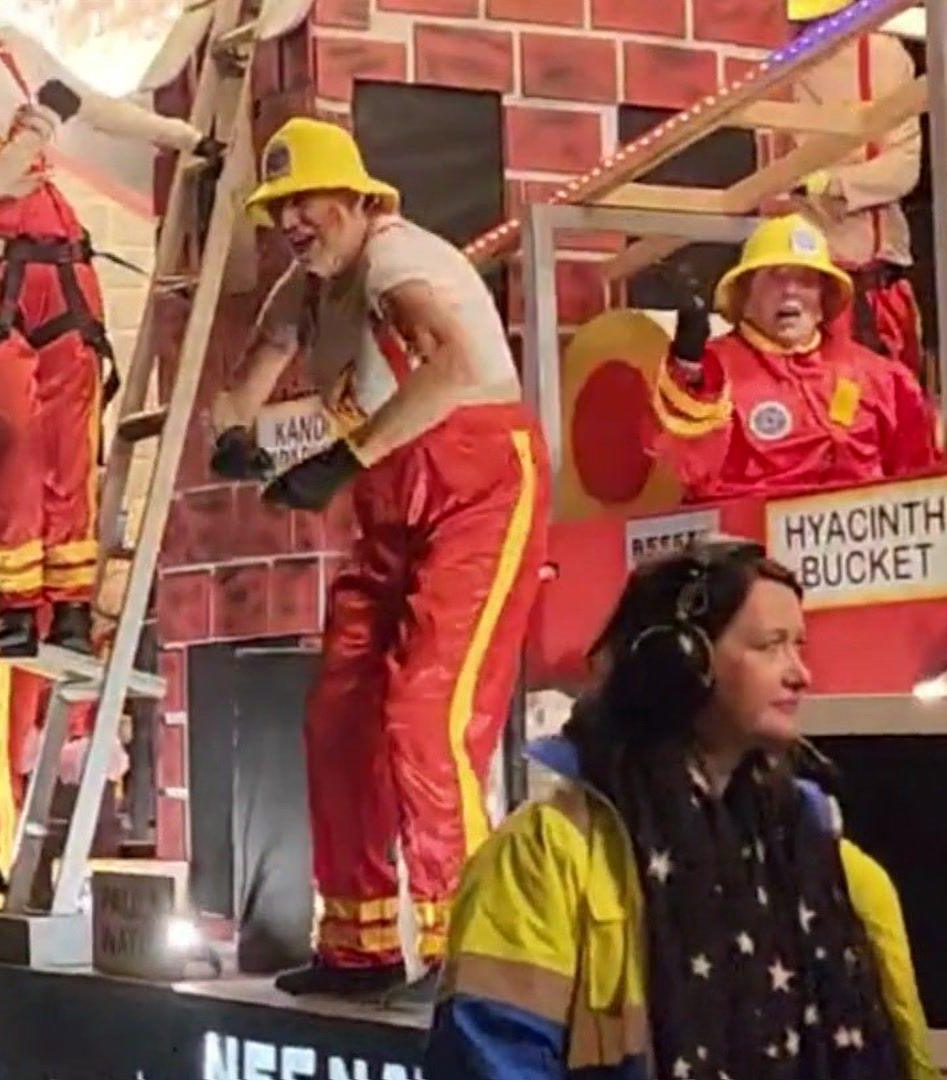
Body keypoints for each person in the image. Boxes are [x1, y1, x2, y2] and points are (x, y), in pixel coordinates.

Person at [208, 117, 549, 1001]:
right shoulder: (310, 283)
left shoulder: (400, 263)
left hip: (479, 490)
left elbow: (450, 364)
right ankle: (356, 946)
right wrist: (237, 433)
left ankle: (473, 953)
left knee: (426, 715)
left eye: (306, 201)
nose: (292, 220)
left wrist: (339, 462)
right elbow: (253, 367)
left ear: (359, 200)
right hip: (393, 503)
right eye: (280, 206)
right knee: (339, 718)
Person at [426, 539, 939, 1079]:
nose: (799, 673)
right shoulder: (543, 858)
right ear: (678, 664)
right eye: (770, 646)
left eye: (798, 645)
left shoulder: (825, 857)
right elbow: (490, 1059)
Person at [0, 28, 216, 655]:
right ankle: (17, 609)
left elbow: (92, 105)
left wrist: (188, 140)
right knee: (15, 435)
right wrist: (37, 129)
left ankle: (71, 608)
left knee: (71, 441)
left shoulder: (5, 49)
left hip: (58, 272)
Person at [650, 214, 937, 502]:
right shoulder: (712, 373)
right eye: (775, 278)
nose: (790, 291)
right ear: (744, 296)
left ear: (824, 300)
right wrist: (687, 368)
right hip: (750, 542)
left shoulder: (882, 379)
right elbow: (685, 468)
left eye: (805, 280)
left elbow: (922, 488)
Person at [768, 0, 924, 379]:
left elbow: (902, 169)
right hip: (814, 281)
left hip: (871, 284)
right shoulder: (787, 54)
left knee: (884, 409)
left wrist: (832, 183)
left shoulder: (882, 53)